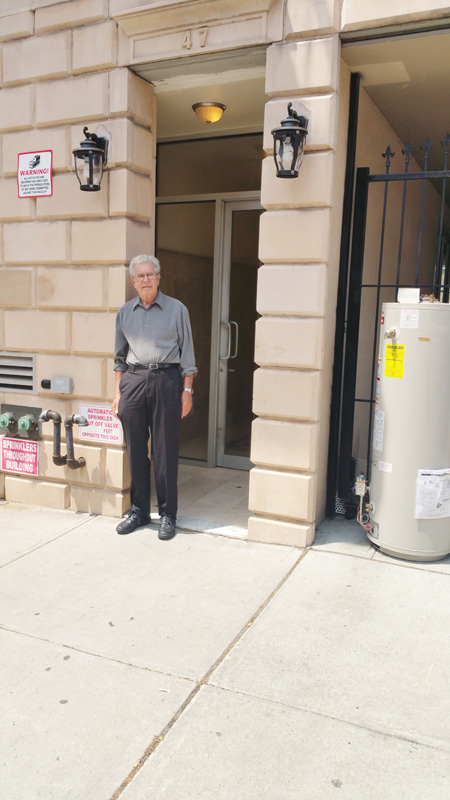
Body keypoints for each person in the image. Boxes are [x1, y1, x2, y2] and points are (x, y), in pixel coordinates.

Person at [112, 254, 197, 540]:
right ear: (133, 281)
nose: (146, 279)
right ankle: (139, 512)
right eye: (141, 276)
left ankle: (167, 514)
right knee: (135, 450)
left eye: (151, 274)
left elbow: (188, 355)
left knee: (164, 450)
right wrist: (117, 394)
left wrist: (187, 390)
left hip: (166, 380)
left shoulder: (177, 309)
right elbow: (119, 359)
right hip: (133, 381)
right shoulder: (124, 313)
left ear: (159, 278)